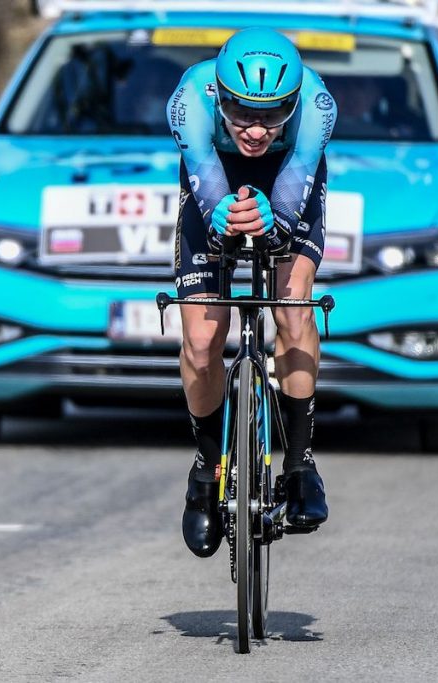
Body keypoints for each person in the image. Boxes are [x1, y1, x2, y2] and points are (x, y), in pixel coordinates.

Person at [166, 27, 337, 557]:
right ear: (220, 96)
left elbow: (291, 197)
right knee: (201, 340)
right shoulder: (189, 101)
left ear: (294, 103)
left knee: (294, 311)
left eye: (273, 114)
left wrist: (275, 223)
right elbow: (204, 180)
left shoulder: (318, 107)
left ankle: (300, 466)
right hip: (215, 175)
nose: (257, 130)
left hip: (289, 178)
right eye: (242, 113)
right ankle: (206, 471)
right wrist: (221, 215)